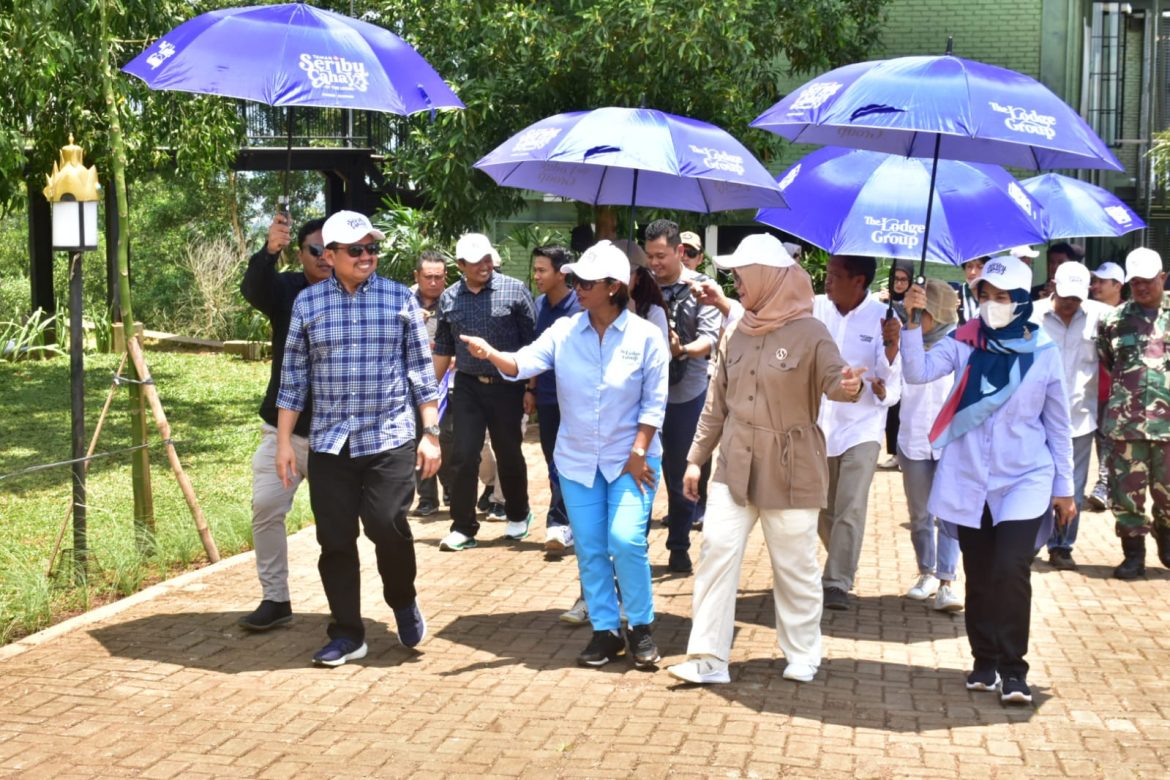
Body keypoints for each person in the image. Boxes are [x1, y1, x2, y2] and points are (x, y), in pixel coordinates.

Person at [459, 241, 669, 668]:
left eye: (585, 282)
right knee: (590, 547)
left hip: (633, 458)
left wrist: (639, 449)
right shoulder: (564, 332)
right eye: (574, 279)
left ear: (613, 287)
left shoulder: (647, 336)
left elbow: (655, 402)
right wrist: (491, 353)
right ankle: (606, 632)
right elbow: (522, 363)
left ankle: (641, 626)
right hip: (577, 460)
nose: (577, 287)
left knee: (626, 540)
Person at [666, 235, 865, 686]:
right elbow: (716, 403)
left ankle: (802, 651)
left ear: (768, 278)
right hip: (734, 464)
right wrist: (696, 458)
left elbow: (836, 380)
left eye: (741, 275)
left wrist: (849, 386)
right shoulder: (735, 329)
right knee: (716, 550)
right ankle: (707, 658)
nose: (734, 282)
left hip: (790, 466)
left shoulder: (811, 332)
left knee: (794, 563)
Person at [900, 254, 1075, 704]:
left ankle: (1015, 669)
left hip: (1026, 477)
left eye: (1004, 298)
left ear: (1021, 302)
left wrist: (1065, 490)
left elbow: (1057, 425)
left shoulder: (1044, 353)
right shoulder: (963, 342)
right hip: (970, 476)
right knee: (978, 573)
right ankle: (985, 662)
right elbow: (917, 372)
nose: (993, 305)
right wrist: (911, 322)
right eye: (986, 296)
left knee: (1009, 568)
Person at [277, 210, 441, 667]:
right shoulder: (308, 305)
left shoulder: (397, 299)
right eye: (356, 249)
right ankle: (347, 632)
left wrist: (430, 433)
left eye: (372, 248)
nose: (367, 256)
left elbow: (420, 374)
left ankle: (402, 599)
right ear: (330, 256)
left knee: (387, 523)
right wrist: (285, 442)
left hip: (388, 436)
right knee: (335, 541)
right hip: (330, 442)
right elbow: (294, 378)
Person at [236, 212, 329, 632]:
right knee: (266, 508)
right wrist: (267, 251)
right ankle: (275, 598)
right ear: (300, 253)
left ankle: (344, 605)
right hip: (283, 432)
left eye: (334, 249)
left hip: (335, 435)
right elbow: (254, 289)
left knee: (339, 524)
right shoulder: (287, 290)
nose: (326, 257)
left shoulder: (358, 295)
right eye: (316, 250)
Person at [432, 233, 537, 551]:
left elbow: (534, 344)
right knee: (463, 455)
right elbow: (443, 349)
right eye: (477, 261)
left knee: (508, 453)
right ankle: (463, 527)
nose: (485, 265)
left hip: (507, 386)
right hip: (466, 387)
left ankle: (518, 514)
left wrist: (531, 387)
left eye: (488, 258)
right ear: (461, 265)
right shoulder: (449, 298)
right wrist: (426, 395)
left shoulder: (514, 290)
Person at [814, 255, 902, 610]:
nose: (827, 281)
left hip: (862, 428)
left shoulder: (884, 320)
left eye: (835, 275)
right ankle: (841, 557)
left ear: (859, 281)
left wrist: (893, 348)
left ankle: (836, 582)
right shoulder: (815, 308)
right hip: (819, 425)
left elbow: (892, 385)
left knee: (850, 505)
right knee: (823, 508)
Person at [645, 219, 721, 574]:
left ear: (679, 252)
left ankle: (679, 545)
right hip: (643, 395)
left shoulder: (702, 288)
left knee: (681, 476)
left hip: (685, 394)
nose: (655, 263)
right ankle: (634, 547)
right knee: (639, 471)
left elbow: (710, 339)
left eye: (661, 256)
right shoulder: (639, 287)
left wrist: (681, 349)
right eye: (650, 257)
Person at [1097, 247, 1170, 579]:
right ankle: (1133, 555)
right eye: (1135, 282)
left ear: (1163, 278)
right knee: (1126, 494)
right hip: (1126, 426)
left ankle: (1166, 539)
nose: (1142, 287)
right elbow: (1107, 361)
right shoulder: (1115, 319)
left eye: (1149, 281)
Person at [891, 279, 963, 612]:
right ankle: (926, 572)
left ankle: (947, 581)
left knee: (949, 514)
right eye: (916, 310)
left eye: (924, 312)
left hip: (951, 445)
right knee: (920, 515)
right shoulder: (908, 339)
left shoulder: (962, 347)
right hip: (914, 442)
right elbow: (894, 386)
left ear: (939, 312)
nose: (919, 318)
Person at [1032, 261, 1108, 570]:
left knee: (1072, 486)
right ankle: (1029, 539)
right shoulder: (1032, 316)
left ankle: (1062, 545)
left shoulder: (1100, 318)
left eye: (1076, 298)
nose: (1070, 304)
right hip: (1034, 416)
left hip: (1079, 416)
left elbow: (1110, 359)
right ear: (1053, 285)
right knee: (1034, 480)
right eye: (1065, 297)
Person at [529, 245, 580, 556]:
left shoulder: (580, 308)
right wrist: (530, 390)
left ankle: (558, 523)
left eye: (541, 270)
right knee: (552, 462)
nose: (536, 276)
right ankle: (567, 522)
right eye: (535, 270)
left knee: (566, 461)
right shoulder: (538, 305)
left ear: (562, 273)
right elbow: (535, 352)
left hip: (574, 401)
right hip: (547, 398)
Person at [411, 250, 451, 518]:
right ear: (417, 276)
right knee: (419, 437)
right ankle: (426, 498)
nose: (434, 282)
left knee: (447, 438)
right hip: (412, 385)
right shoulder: (403, 302)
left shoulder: (453, 302)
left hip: (447, 385)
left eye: (439, 277)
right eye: (429, 277)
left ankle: (451, 489)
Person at [1086, 260, 1127, 511]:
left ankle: (1105, 485)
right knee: (1100, 439)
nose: (1095, 286)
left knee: (1109, 438)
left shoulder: (1127, 316)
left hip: (1117, 391)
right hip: (1090, 389)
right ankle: (1107, 485)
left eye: (1102, 282)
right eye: (1095, 281)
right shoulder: (1088, 312)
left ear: (1118, 285)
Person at [878, 261, 913, 470]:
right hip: (887, 360)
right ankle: (893, 452)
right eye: (895, 279)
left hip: (906, 360)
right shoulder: (882, 302)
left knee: (904, 406)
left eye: (903, 280)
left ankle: (903, 452)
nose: (899, 284)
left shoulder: (913, 302)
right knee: (891, 409)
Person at [956, 256, 987, 324]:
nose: (973, 272)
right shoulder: (956, 296)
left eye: (980, 267)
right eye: (969, 266)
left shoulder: (997, 295)